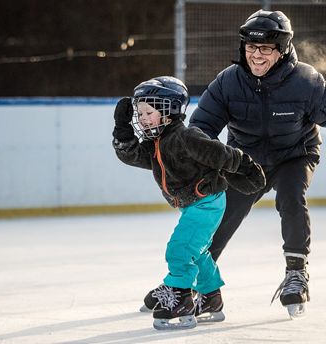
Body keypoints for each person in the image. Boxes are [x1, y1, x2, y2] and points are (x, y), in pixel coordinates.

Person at [188, 9, 326, 319]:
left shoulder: (306, 83)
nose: (256, 56)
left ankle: (296, 274)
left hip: (294, 155)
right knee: (219, 215)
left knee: (291, 197)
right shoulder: (228, 83)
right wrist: (199, 166)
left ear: (283, 49)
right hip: (246, 161)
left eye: (265, 49)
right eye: (250, 47)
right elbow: (201, 129)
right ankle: (190, 283)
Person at [111, 76, 266, 330]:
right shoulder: (154, 144)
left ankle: (180, 297)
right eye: (138, 113)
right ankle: (211, 298)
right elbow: (131, 155)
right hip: (194, 203)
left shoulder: (186, 137)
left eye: (148, 112)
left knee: (180, 248)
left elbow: (219, 153)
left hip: (207, 202)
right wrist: (122, 128)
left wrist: (244, 166)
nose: (141, 118)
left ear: (169, 111)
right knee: (199, 252)